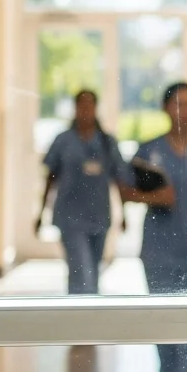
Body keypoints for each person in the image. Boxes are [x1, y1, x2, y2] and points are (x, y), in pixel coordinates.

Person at [125, 82, 187, 372]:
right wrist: (155, 197)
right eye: (179, 103)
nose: (185, 110)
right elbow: (125, 191)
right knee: (164, 316)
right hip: (159, 247)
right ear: (166, 108)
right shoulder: (149, 150)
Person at [38, 90, 132, 295]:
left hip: (99, 216)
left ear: (96, 108)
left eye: (90, 105)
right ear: (76, 108)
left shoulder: (106, 142)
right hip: (70, 217)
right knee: (80, 271)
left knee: (94, 272)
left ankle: (91, 311)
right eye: (82, 105)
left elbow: (119, 179)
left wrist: (124, 215)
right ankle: (77, 310)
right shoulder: (63, 141)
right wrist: (41, 212)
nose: (86, 110)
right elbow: (50, 178)